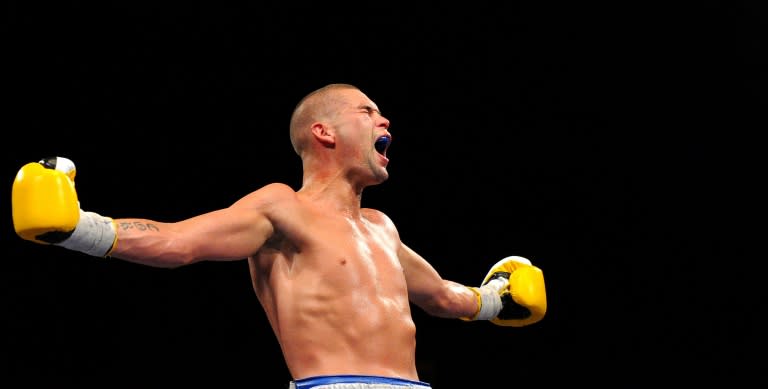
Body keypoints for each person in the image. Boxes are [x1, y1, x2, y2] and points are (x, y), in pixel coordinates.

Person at [11, 83, 547, 389]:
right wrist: (77, 227)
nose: (385, 120)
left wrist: (497, 300)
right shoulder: (281, 208)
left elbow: (442, 298)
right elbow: (179, 243)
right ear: (324, 132)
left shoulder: (382, 228)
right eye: (369, 111)